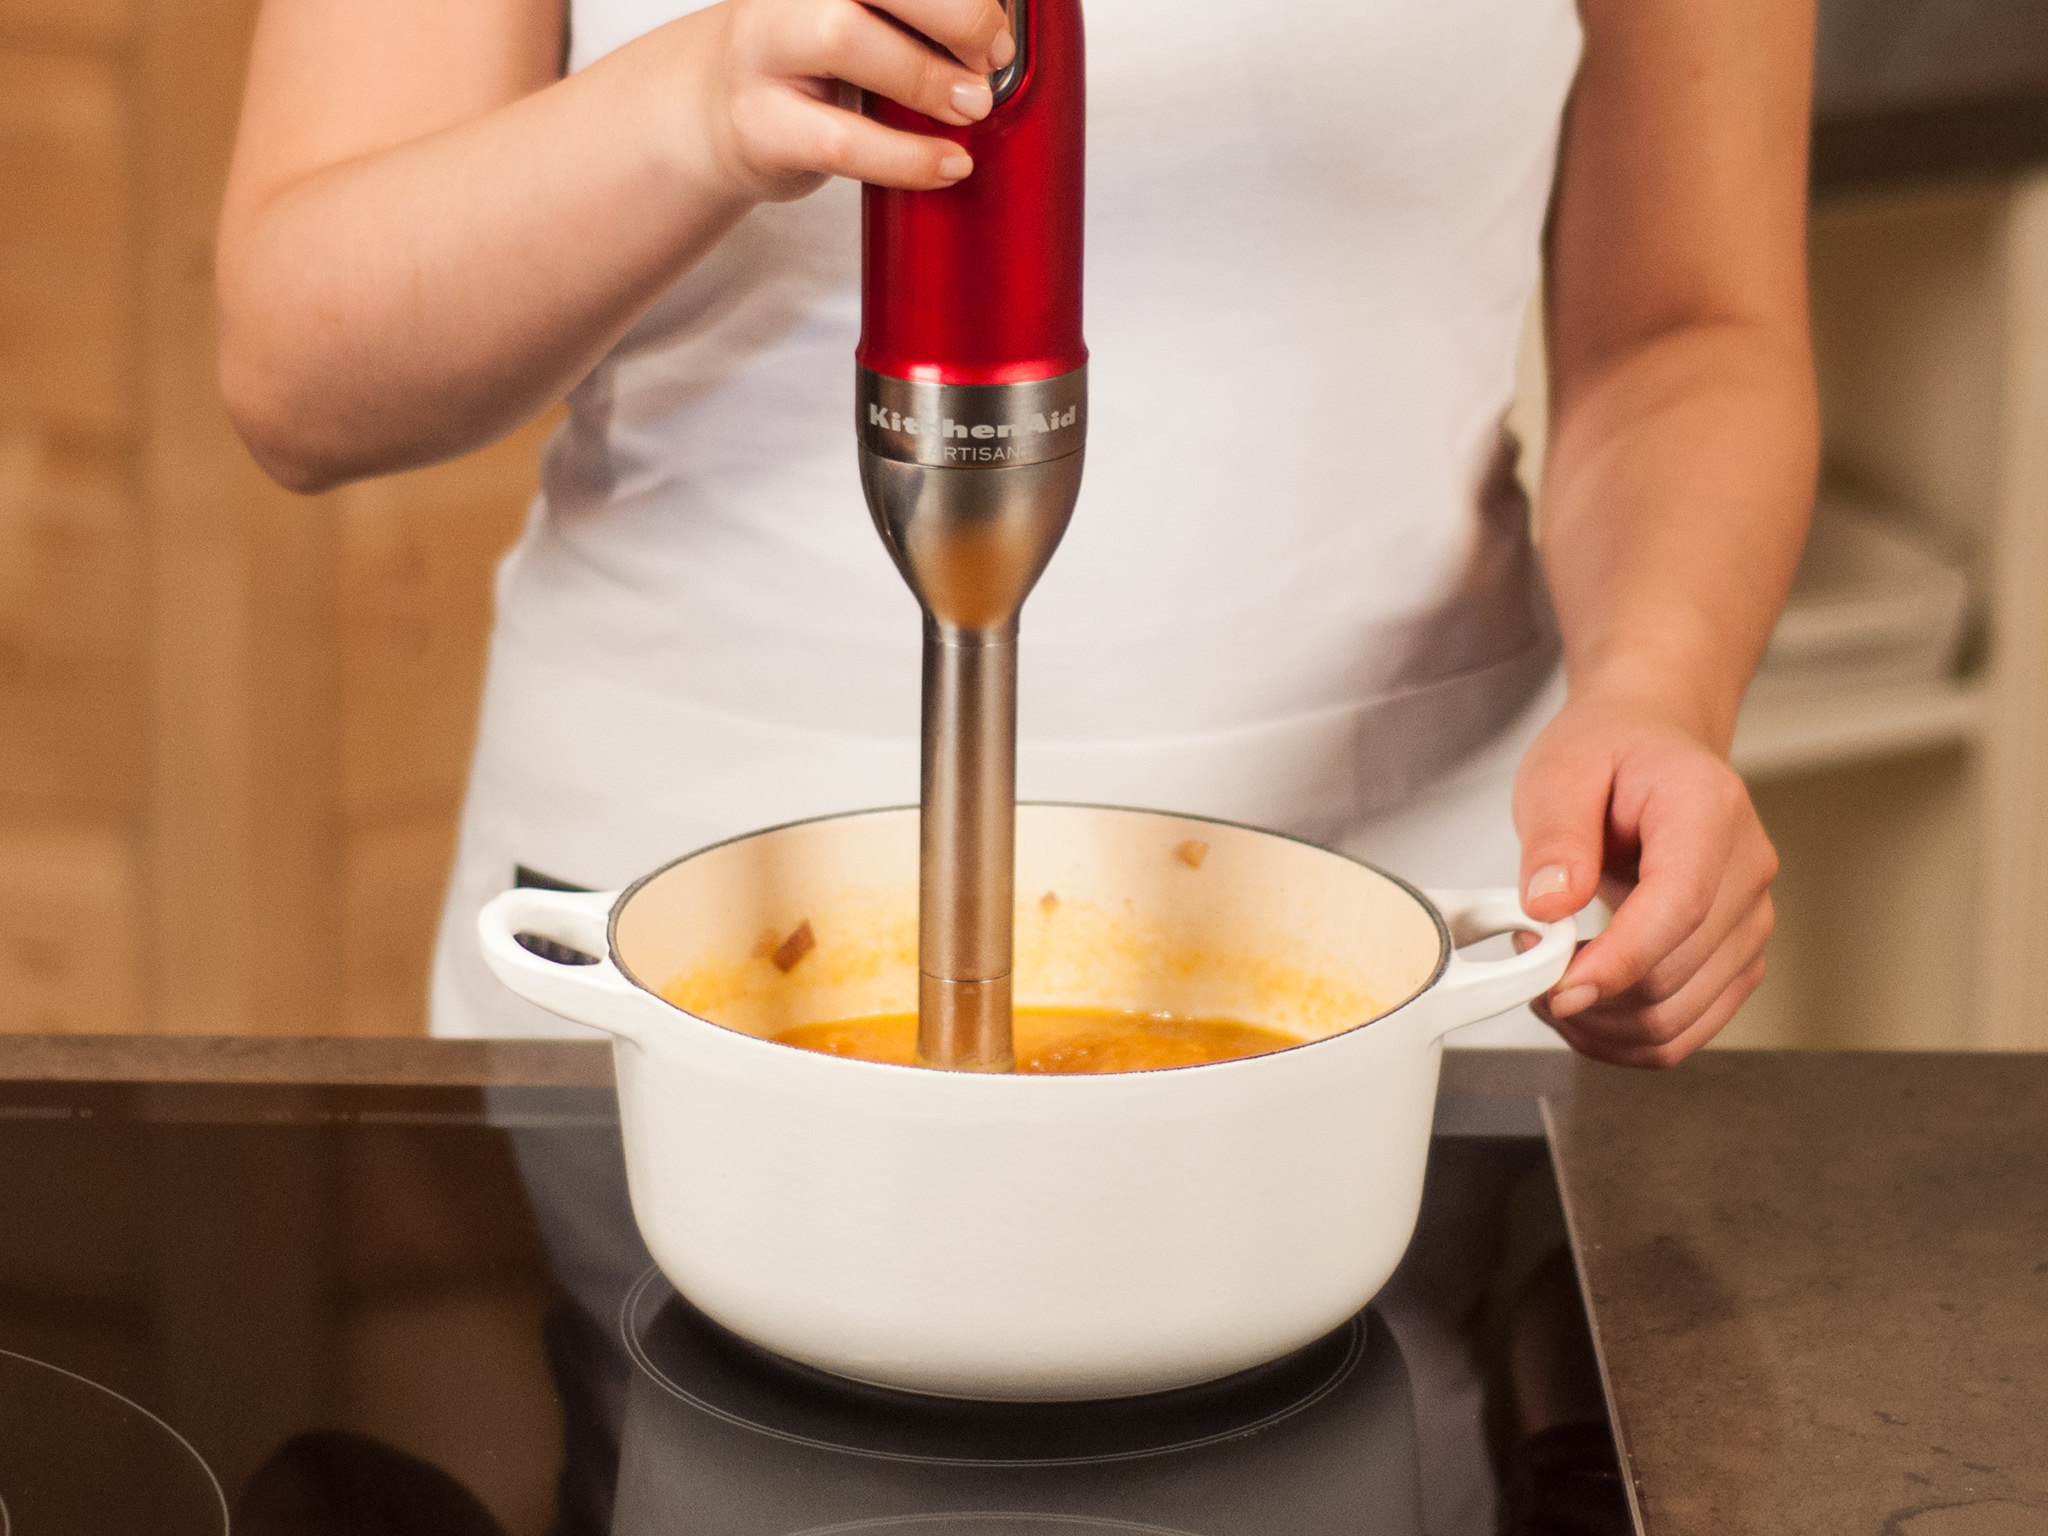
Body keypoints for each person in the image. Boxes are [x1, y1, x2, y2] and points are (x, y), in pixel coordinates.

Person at [216, 0, 1813, 1068]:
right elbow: (300, 366)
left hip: (1406, 970)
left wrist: (1655, 691)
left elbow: (1685, 325)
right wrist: (699, 107)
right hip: (673, 974)